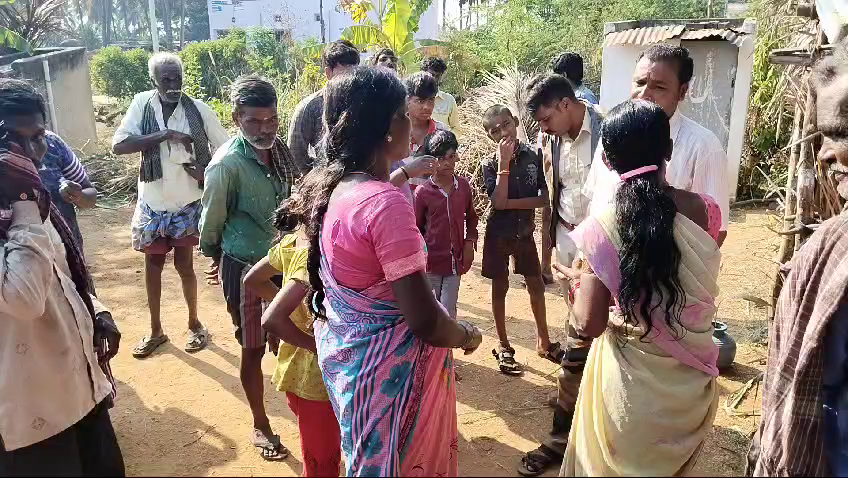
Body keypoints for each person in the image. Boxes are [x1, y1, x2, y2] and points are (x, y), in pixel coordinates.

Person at [278, 66, 483, 476]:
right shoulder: (385, 204)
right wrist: (466, 336)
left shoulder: (335, 189)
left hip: (358, 374)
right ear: (390, 126)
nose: (412, 122)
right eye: (405, 113)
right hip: (393, 379)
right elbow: (425, 321)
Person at [561, 99, 722, 476]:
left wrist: (578, 283)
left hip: (629, 391)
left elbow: (589, 325)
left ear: (607, 161)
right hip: (690, 387)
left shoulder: (603, 227)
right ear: (668, 149)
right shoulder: (705, 211)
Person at [0, 78, 124, 476]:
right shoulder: (23, 206)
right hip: (31, 408)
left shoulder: (35, 202)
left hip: (79, 385)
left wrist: (96, 310)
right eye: (23, 141)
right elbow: (23, 298)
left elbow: (60, 271)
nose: (38, 152)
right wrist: (22, 203)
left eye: (39, 136)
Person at [747, 41, 848, 477]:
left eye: (842, 133)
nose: (828, 153)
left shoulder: (833, 253)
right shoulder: (827, 253)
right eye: (827, 134)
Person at [199, 75, 301, 462]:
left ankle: (299, 405)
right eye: (254, 122)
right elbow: (211, 223)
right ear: (236, 117)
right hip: (244, 268)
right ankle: (261, 422)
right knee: (253, 347)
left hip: (284, 262)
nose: (265, 129)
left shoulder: (282, 151)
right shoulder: (225, 165)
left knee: (291, 335)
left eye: (271, 120)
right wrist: (215, 258)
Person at [112, 52, 229, 358]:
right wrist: (163, 134)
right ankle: (155, 331)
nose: (173, 84)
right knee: (152, 266)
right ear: (154, 80)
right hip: (152, 203)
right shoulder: (142, 105)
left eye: (178, 78)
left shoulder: (198, 110)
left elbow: (227, 148)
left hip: (187, 202)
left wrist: (207, 173)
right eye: (166, 79)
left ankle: (194, 324)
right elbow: (119, 145)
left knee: (185, 265)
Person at [517, 73, 603, 476]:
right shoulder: (551, 139)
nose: (544, 127)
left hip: (604, 256)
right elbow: (556, 195)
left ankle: (573, 436)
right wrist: (550, 247)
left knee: (594, 342)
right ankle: (566, 424)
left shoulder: (609, 131)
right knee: (576, 335)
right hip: (570, 248)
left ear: (566, 105)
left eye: (547, 117)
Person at [584, 44, 730, 247]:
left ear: (682, 91)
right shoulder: (612, 133)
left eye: (659, 87)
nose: (644, 94)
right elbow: (596, 199)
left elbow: (716, 230)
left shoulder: (704, 147)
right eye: (640, 82)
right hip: (601, 269)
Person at [243, 209, 341, 477]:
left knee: (321, 450)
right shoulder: (316, 255)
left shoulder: (293, 241)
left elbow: (253, 279)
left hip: (296, 366)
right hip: (316, 375)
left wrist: (293, 312)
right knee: (322, 462)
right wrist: (314, 344)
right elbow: (272, 319)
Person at [481, 104, 559, 375]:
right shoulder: (489, 163)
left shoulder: (534, 156)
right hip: (499, 234)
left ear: (515, 121)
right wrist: (503, 164)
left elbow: (544, 198)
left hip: (524, 232)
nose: (503, 132)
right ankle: (503, 345)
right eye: (495, 131)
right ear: (489, 136)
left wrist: (510, 203)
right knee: (499, 287)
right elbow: (497, 203)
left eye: (506, 125)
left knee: (536, 285)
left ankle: (543, 341)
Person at [413, 130, 479, 319]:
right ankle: (434, 349)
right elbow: (416, 230)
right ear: (430, 161)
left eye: (451, 156)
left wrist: (470, 242)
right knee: (433, 313)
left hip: (455, 262)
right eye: (441, 159)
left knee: (449, 313)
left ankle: (447, 350)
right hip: (431, 264)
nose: (447, 163)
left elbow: (472, 217)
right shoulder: (423, 192)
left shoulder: (464, 186)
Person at [287, 39, 359, 172]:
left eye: (354, 74)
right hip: (324, 182)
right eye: (343, 75)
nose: (350, 81)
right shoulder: (309, 107)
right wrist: (317, 178)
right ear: (328, 73)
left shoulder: (362, 102)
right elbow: (295, 154)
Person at [403, 72, 448, 190]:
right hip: (400, 202)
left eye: (431, 100)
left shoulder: (441, 132)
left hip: (432, 203)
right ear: (408, 100)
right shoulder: (395, 131)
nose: (427, 107)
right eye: (420, 101)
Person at [421, 56, 460, 130]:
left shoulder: (449, 100)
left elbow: (456, 129)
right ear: (422, 73)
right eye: (431, 75)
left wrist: (445, 138)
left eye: (438, 76)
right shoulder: (413, 99)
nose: (434, 79)